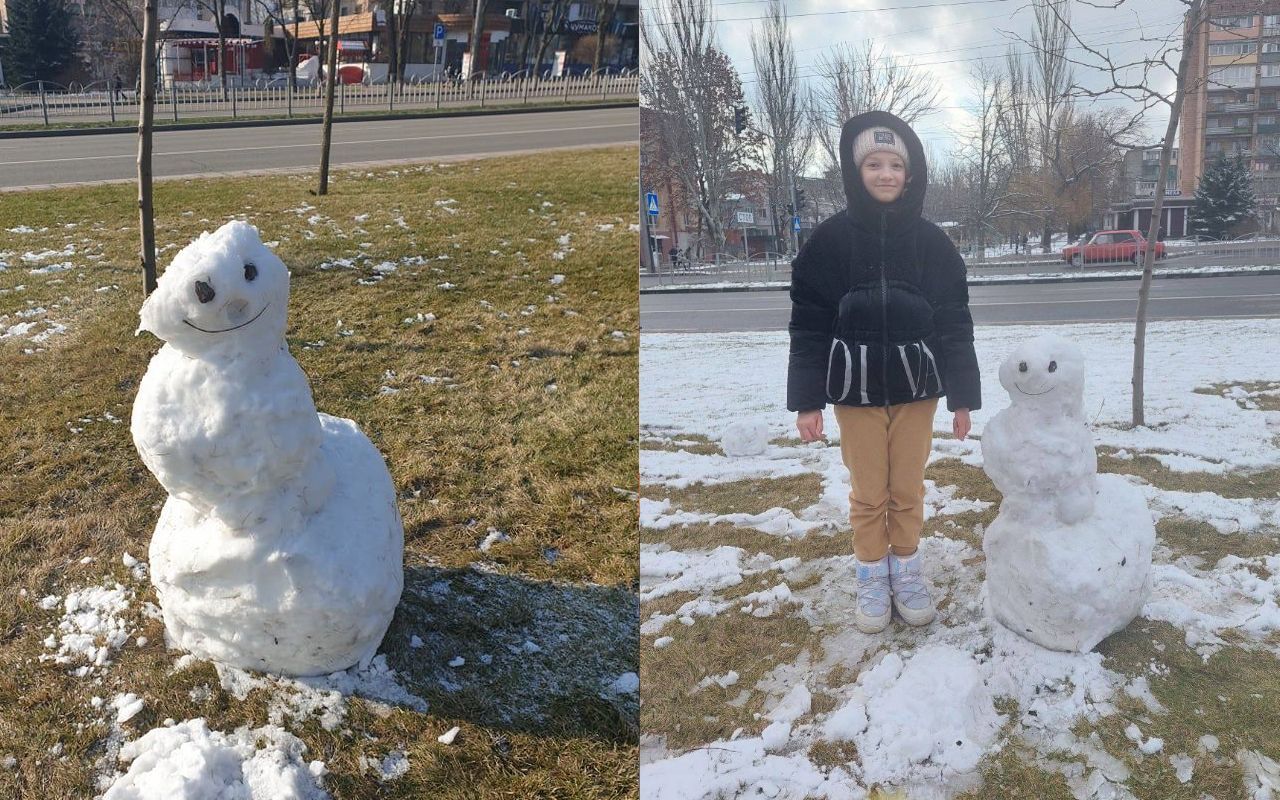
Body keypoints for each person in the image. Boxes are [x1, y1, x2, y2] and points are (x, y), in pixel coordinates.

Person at [786, 111, 981, 634]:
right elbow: (808, 324)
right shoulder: (827, 243)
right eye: (874, 163)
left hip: (919, 391)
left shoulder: (934, 244)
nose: (885, 173)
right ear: (856, 171)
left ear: (910, 173)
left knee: (907, 489)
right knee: (869, 490)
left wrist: (963, 397)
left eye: (895, 164)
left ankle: (908, 568)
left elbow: (954, 322)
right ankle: (872, 574)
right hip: (856, 393)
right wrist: (807, 401)